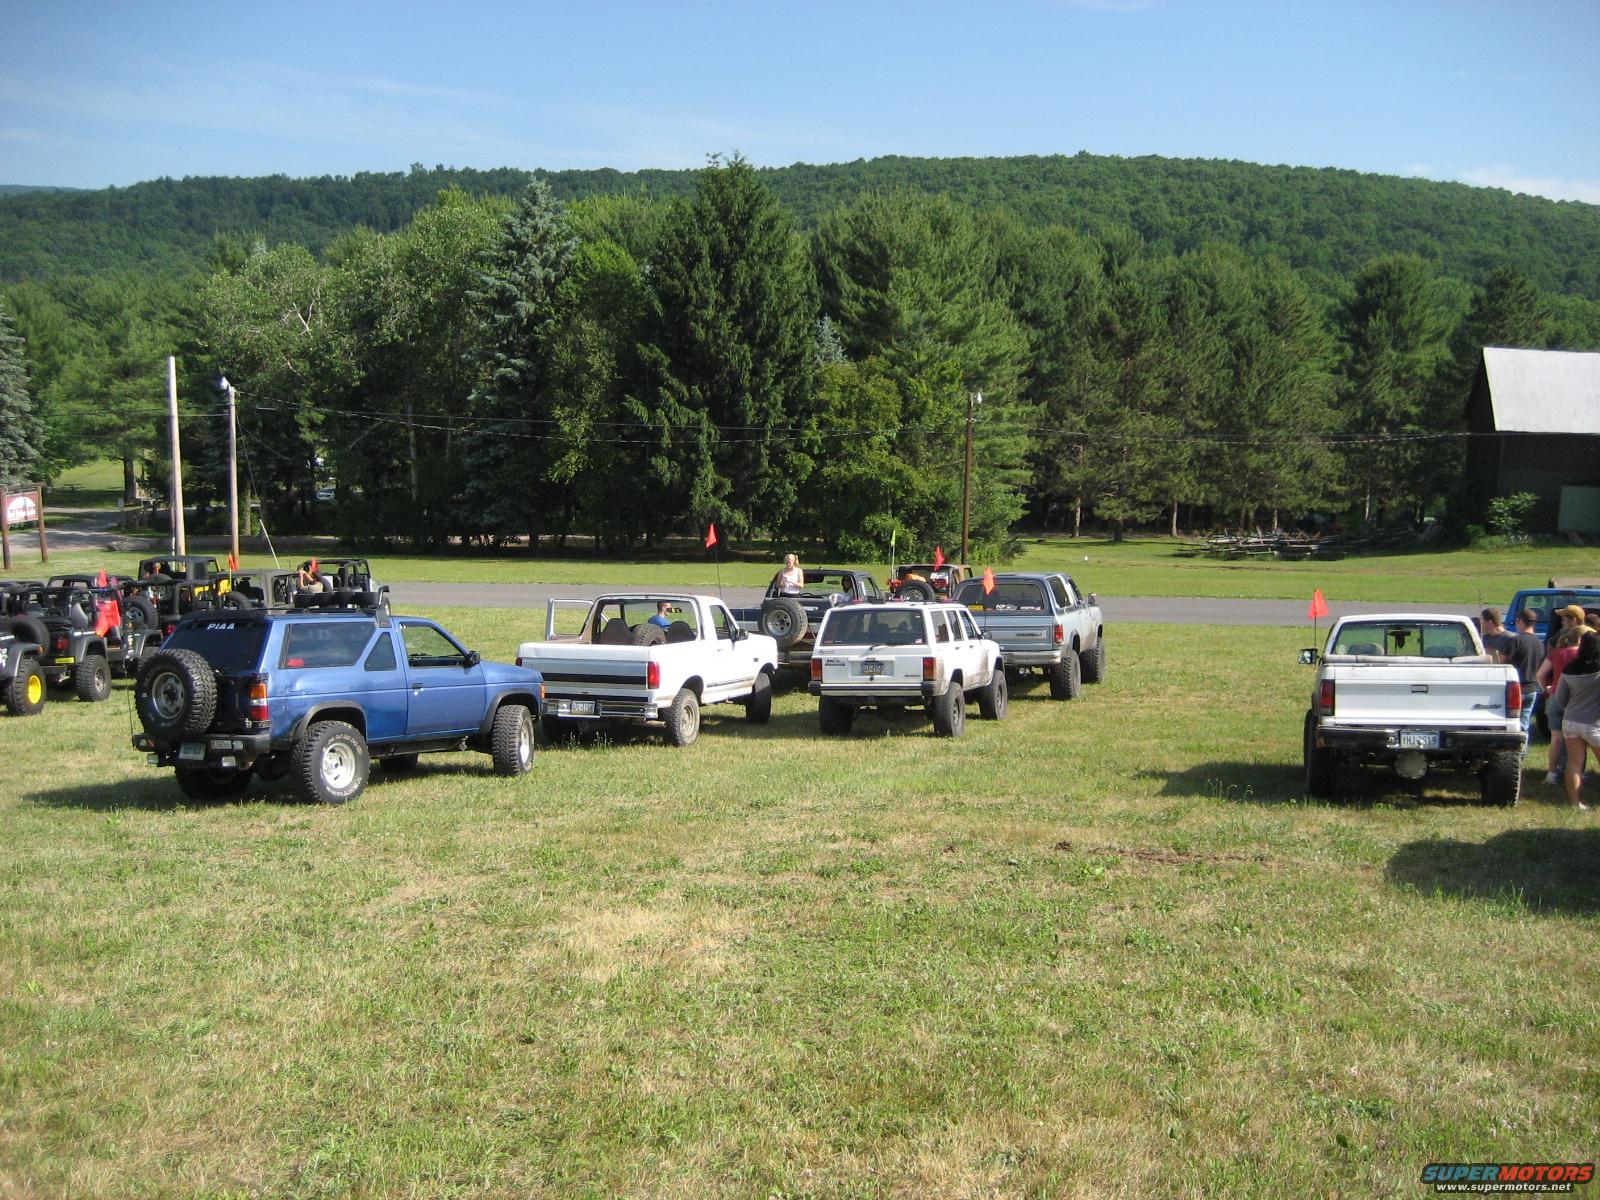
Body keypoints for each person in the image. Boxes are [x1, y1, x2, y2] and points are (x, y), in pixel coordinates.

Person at [1551, 631, 1600, 811]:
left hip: (1570, 721)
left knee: (1574, 764)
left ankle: (1575, 803)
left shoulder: (1569, 668)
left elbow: (1560, 698)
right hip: (1594, 723)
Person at [1538, 624, 1583, 785]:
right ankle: (1577, 773)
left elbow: (1540, 675)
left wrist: (1546, 689)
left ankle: (1551, 774)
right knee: (1577, 739)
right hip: (1575, 699)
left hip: (1555, 697)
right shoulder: (1581, 654)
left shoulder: (1555, 653)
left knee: (1556, 739)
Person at [1502, 609, 1545, 740]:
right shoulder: (1540, 643)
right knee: (1524, 723)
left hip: (1516, 688)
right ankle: (1523, 748)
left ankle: (1511, 747)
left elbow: (1502, 660)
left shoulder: (1516, 640)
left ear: (1520, 621)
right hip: (1532, 688)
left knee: (1508, 723)